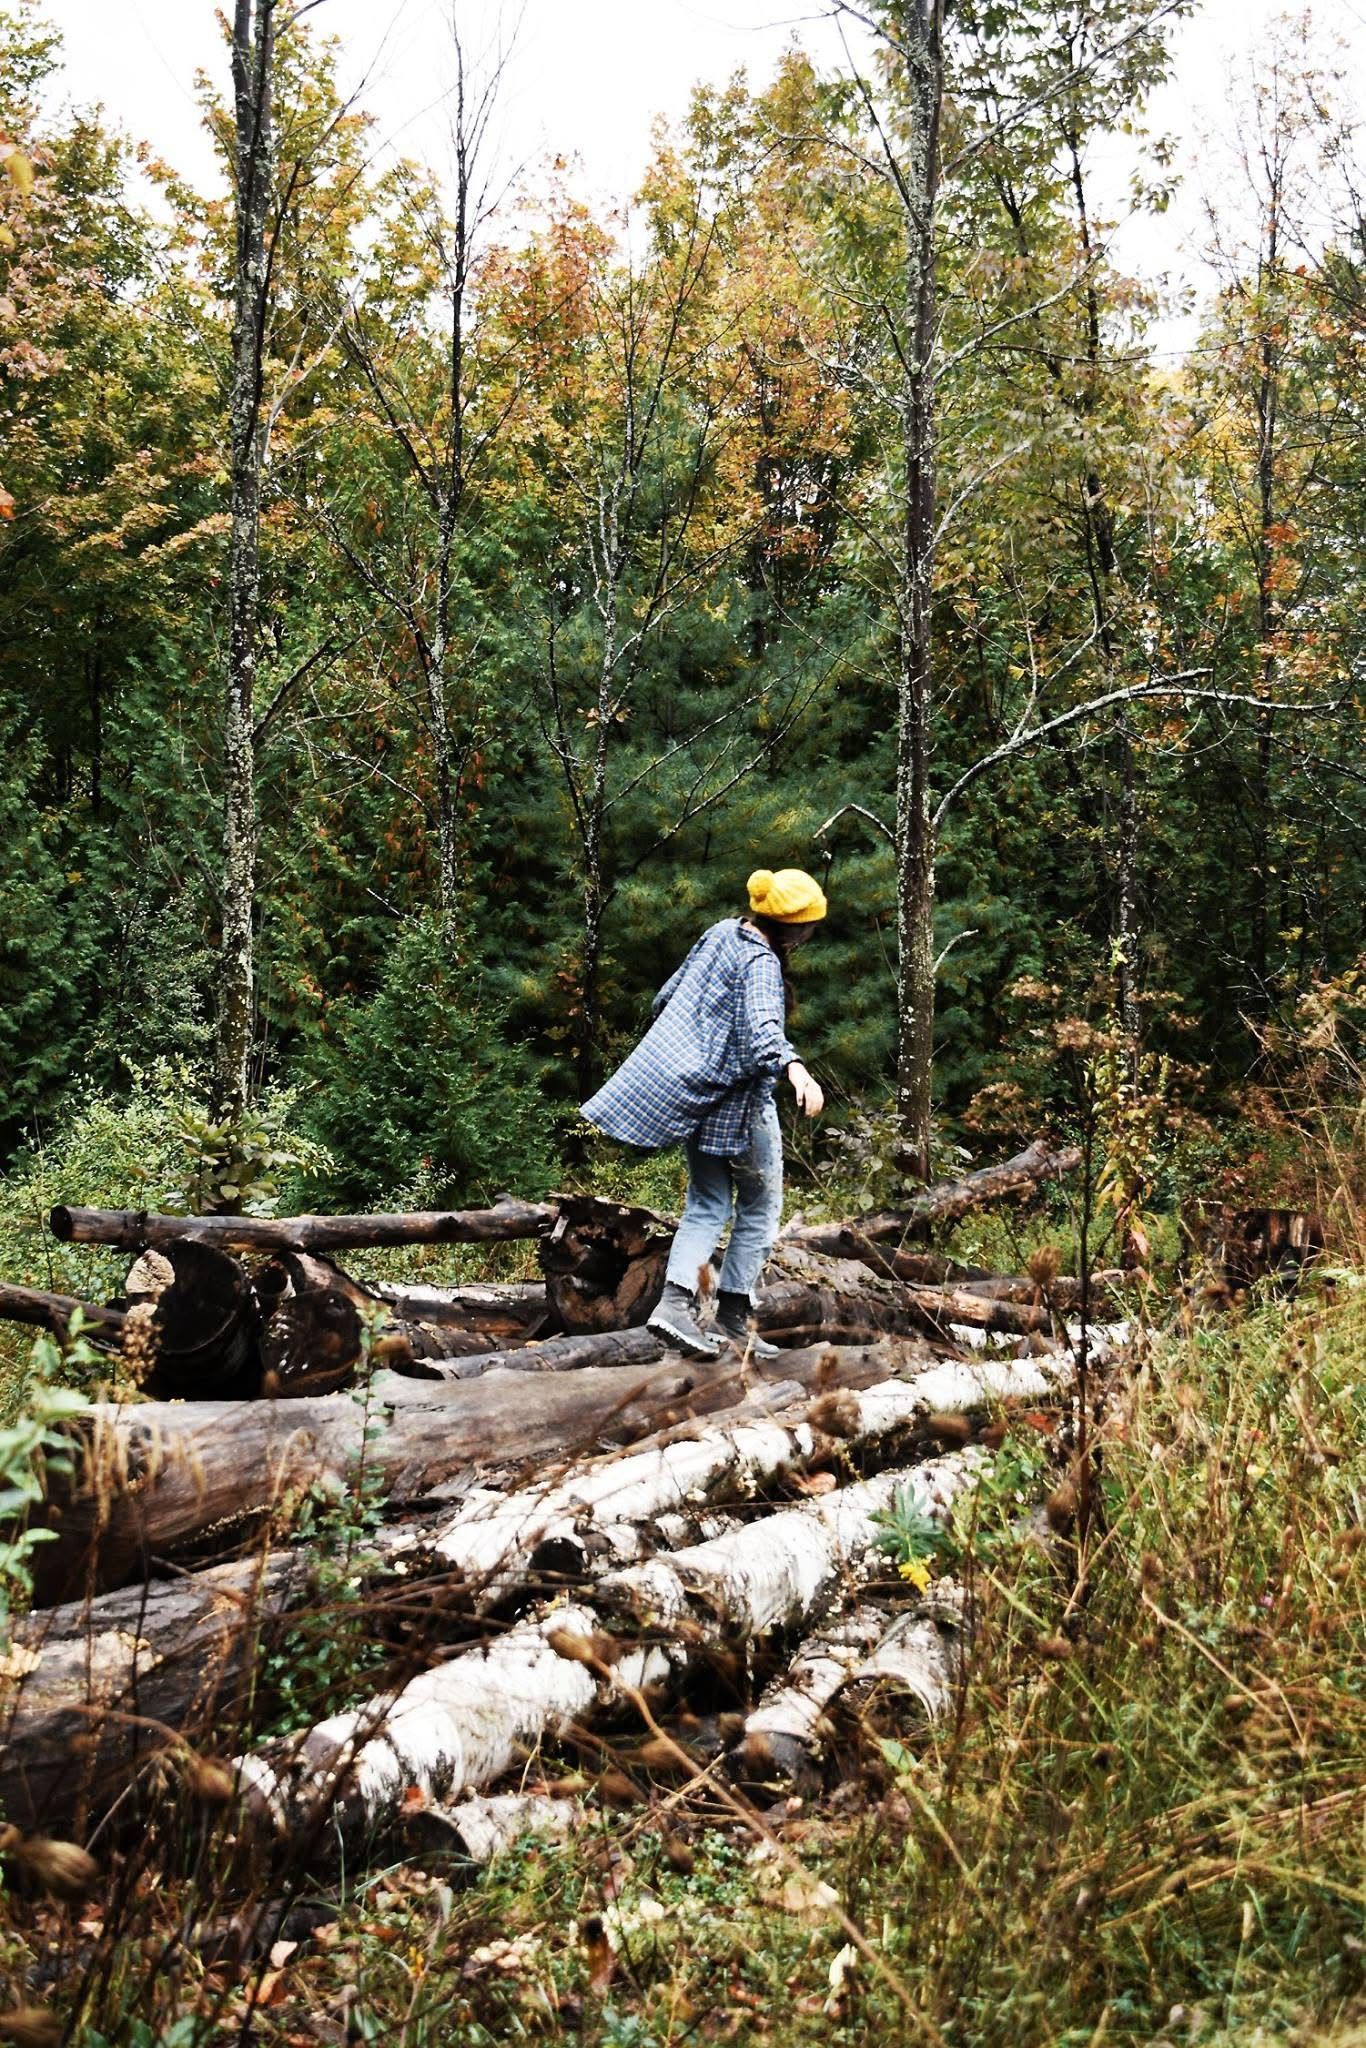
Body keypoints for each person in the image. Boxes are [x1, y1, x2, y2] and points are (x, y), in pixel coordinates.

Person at [581, 867, 826, 1358]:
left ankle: (675, 1308)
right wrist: (796, 1069)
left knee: (708, 1204)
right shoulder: (761, 962)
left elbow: (667, 998)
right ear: (797, 926)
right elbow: (762, 1031)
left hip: (701, 1100)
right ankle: (733, 1318)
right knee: (760, 1208)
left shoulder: (721, 933)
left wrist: (696, 1053)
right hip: (739, 1108)